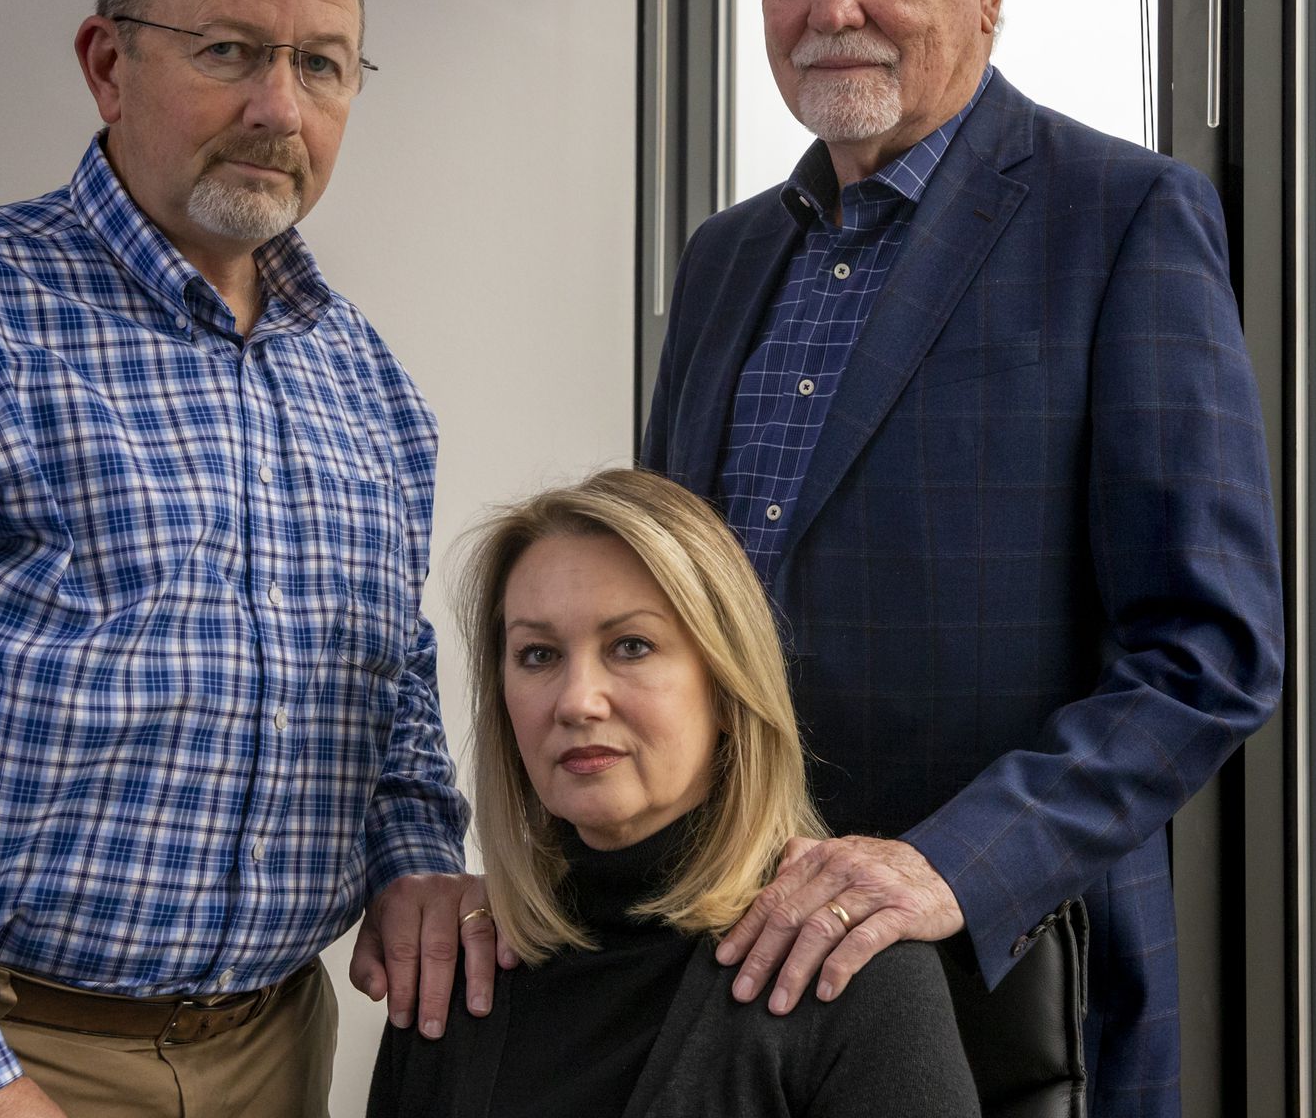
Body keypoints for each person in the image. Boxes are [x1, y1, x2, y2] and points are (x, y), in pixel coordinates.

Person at [642, 0, 1284, 1116]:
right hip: (725, 965)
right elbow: (667, 603)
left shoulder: (1124, 220)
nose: (832, 5)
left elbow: (1209, 651)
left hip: (999, 989)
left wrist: (954, 864)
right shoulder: (721, 262)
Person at [0, 0, 494, 1118]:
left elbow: (388, 698)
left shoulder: (371, 386)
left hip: (277, 1047)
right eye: (229, 50)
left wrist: (419, 860)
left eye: (322, 65)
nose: (278, 107)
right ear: (106, 63)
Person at [367, 468, 981, 1117]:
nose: (577, 701)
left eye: (631, 646)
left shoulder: (848, 959)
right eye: (538, 655)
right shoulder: (454, 963)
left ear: (725, 685)